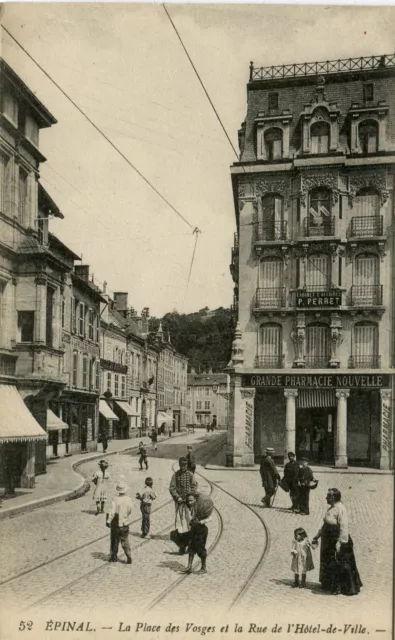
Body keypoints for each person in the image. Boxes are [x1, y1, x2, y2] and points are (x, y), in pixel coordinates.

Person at [312, 488, 362, 596]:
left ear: (333, 497)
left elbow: (344, 527)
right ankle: (329, 584)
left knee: (338, 564)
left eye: (328, 496)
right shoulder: (332, 508)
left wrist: (340, 542)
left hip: (336, 540)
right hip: (328, 540)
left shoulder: (341, 509)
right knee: (328, 562)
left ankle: (343, 588)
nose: (326, 498)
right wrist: (317, 536)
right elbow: (325, 525)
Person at [170, 492, 213, 575]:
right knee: (191, 548)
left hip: (201, 531)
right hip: (193, 530)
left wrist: (200, 522)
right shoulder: (189, 507)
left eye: (191, 500)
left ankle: (204, 568)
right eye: (188, 501)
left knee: (201, 549)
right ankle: (189, 567)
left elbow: (210, 518)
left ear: (195, 500)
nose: (189, 502)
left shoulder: (201, 508)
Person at [169, 457, 198, 536]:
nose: (183, 467)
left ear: (187, 465)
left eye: (185, 465)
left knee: (189, 517)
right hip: (179, 501)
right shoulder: (175, 475)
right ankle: (179, 534)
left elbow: (194, 487)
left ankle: (191, 533)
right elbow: (172, 488)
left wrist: (191, 497)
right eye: (182, 465)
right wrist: (177, 497)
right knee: (179, 517)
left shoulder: (191, 475)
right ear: (179, 465)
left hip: (189, 501)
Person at [106, 480, 133, 564]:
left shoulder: (115, 499)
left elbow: (112, 512)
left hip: (116, 523)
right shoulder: (128, 499)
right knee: (125, 540)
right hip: (125, 523)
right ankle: (128, 555)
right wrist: (125, 516)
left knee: (115, 540)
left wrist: (108, 521)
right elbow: (130, 510)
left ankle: (113, 556)